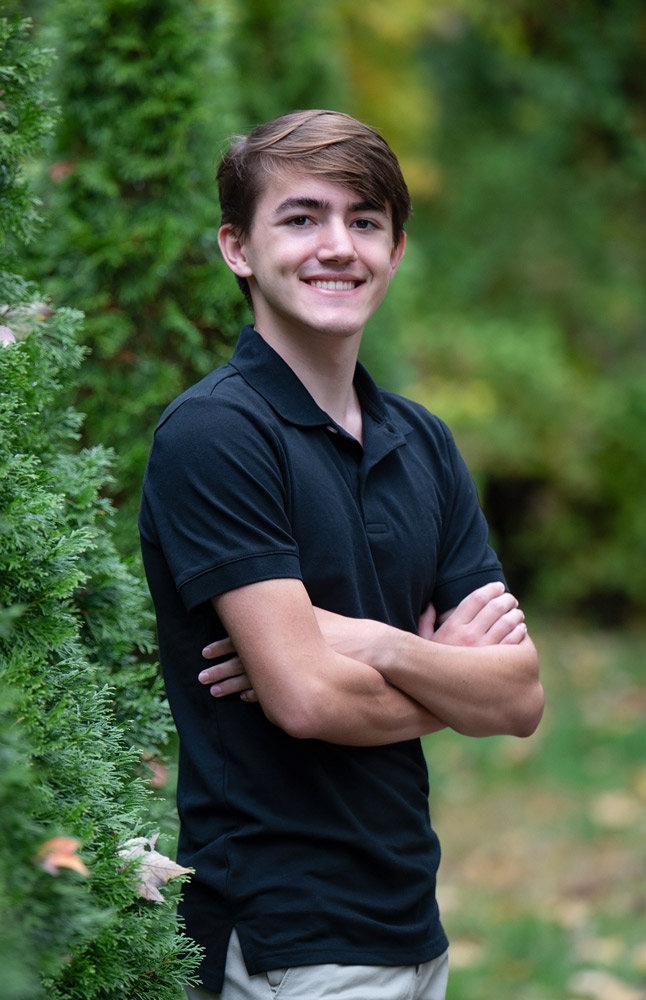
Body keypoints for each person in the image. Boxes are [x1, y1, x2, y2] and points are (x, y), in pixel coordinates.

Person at [139, 109, 543, 1000]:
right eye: (302, 217)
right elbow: (309, 698)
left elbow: (518, 697)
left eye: (365, 221)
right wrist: (448, 671)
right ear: (237, 248)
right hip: (288, 929)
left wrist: (383, 645)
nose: (338, 246)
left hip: (409, 916)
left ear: (396, 250)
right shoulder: (216, 434)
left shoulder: (421, 439)